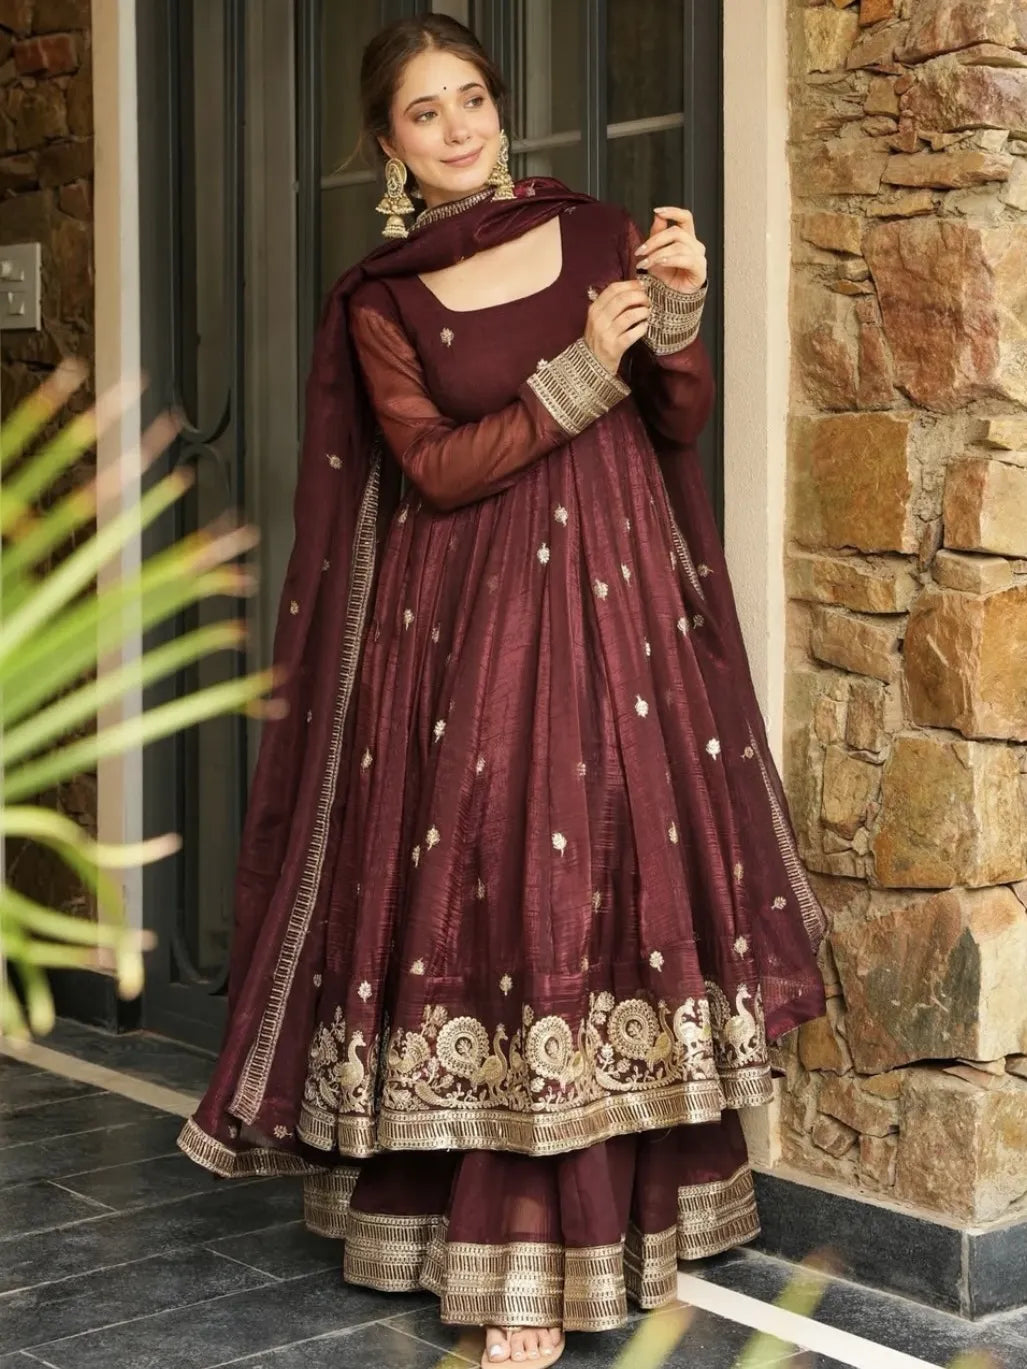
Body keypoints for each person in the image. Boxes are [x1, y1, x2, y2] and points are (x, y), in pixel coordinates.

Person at [178, 14, 827, 1367]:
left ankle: (638, 1218)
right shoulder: (382, 298)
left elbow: (679, 417)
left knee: (612, 892)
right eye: (427, 112)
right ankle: (509, 1258)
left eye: (473, 98)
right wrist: (585, 363)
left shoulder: (595, 232)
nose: (461, 128)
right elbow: (437, 469)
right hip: (463, 635)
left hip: (622, 624)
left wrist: (683, 307)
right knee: (494, 896)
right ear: (387, 143)